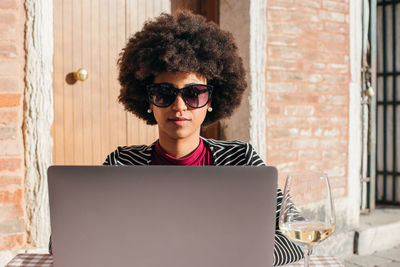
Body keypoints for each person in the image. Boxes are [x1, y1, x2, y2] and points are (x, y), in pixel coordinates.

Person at [104, 10, 303, 266]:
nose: (179, 106)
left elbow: (297, 233)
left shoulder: (240, 160)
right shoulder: (122, 164)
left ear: (211, 101)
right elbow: (68, 239)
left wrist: (241, 255)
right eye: (164, 93)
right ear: (148, 102)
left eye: (194, 94)